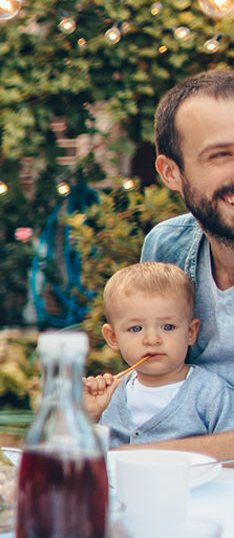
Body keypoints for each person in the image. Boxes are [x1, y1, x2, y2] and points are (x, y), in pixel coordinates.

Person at [139, 67, 234, 456]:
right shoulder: (166, 249)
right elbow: (153, 379)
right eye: (221, 155)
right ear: (170, 172)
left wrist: (139, 459)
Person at [83, 263, 234, 447]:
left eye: (168, 327)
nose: (152, 340)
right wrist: (90, 417)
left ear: (190, 332)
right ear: (113, 337)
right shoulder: (109, 396)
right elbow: (80, 459)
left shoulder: (211, 394)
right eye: (136, 328)